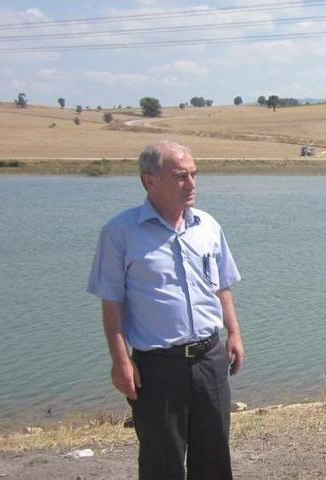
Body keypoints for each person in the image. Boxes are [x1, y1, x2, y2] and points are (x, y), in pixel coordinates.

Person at [87, 140, 245, 480]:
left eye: (193, 175)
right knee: (163, 463)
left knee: (214, 459)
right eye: (180, 176)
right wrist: (120, 361)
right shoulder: (120, 232)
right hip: (157, 367)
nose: (191, 184)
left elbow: (221, 286)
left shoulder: (207, 226)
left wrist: (233, 333)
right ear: (150, 180)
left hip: (209, 358)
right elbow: (112, 304)